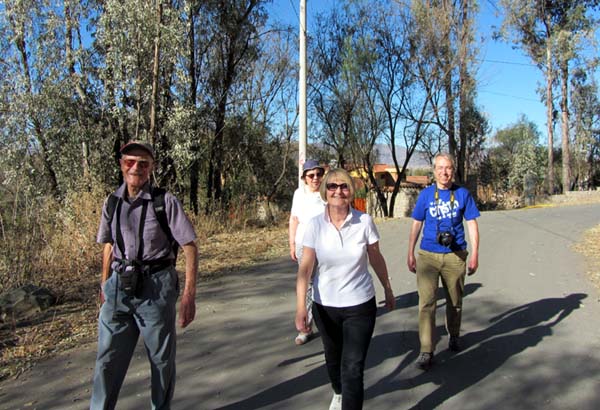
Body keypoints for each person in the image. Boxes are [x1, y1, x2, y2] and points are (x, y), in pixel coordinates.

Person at [90, 141, 198, 410]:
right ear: (121, 165)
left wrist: (188, 295)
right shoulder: (112, 202)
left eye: (143, 163)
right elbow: (108, 245)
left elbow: (190, 246)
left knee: (161, 362)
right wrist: (104, 285)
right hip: (117, 288)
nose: (135, 168)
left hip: (156, 288)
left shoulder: (165, 202)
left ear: (152, 168)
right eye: (130, 162)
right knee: (106, 360)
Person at [295, 168, 395, 410]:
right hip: (325, 307)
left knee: (352, 367)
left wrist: (388, 289)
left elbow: (376, 258)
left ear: (351, 191)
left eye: (343, 186)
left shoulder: (364, 222)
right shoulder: (314, 225)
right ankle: (338, 392)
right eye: (332, 186)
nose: (338, 191)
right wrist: (301, 309)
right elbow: (305, 268)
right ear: (324, 191)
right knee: (333, 359)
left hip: (360, 305)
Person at [406, 153, 480, 371]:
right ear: (434, 170)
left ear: (453, 170)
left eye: (448, 168)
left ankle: (454, 335)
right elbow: (416, 224)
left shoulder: (463, 194)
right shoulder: (426, 195)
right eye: (440, 168)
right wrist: (410, 252)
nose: (444, 172)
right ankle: (426, 349)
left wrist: (475, 253)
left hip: (455, 255)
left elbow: (472, 225)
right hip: (428, 255)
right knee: (426, 304)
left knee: (455, 301)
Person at [288, 159, 326, 345]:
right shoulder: (299, 194)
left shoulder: (327, 193)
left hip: (325, 245)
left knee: (326, 281)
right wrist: (292, 243)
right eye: (311, 175)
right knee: (308, 283)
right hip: (304, 244)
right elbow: (294, 219)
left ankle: (328, 322)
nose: (315, 178)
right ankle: (305, 327)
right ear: (304, 178)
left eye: (319, 174)